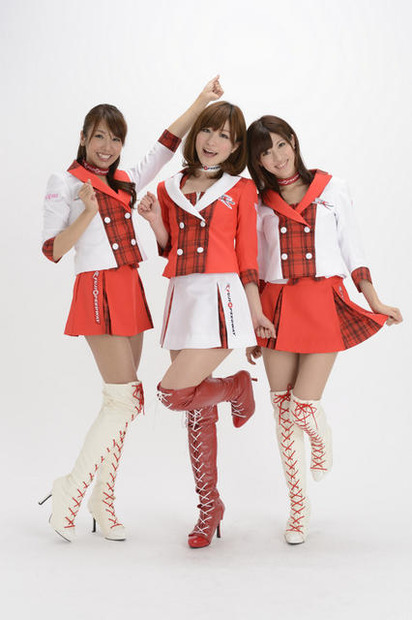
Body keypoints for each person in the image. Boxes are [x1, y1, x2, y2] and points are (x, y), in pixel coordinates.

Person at [39, 77, 224, 542]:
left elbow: (166, 145)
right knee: (123, 399)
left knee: (124, 399)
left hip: (129, 286)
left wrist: (200, 101)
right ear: (84, 137)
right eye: (99, 136)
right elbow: (53, 250)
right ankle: (69, 491)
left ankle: (103, 500)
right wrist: (87, 210)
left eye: (115, 139)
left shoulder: (125, 181)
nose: (107, 147)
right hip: (96, 286)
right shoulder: (66, 182)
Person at [246, 115, 402, 545]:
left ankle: (320, 436)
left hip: (322, 301)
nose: (276, 157)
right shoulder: (258, 204)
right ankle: (298, 509)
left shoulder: (333, 189)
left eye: (281, 145)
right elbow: (252, 266)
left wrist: (374, 300)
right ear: (257, 161)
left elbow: (354, 249)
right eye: (265, 152)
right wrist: (254, 322)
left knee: (303, 406)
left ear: (293, 142)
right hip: (276, 307)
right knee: (282, 412)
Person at [138, 101, 275, 548]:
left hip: (222, 299)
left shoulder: (242, 189)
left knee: (172, 393)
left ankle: (237, 386)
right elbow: (169, 246)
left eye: (226, 137)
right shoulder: (169, 188)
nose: (213, 142)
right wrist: (154, 220)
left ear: (236, 147)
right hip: (182, 298)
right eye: (208, 131)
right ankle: (208, 507)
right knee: (195, 410)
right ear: (196, 134)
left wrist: (256, 314)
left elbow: (248, 259)